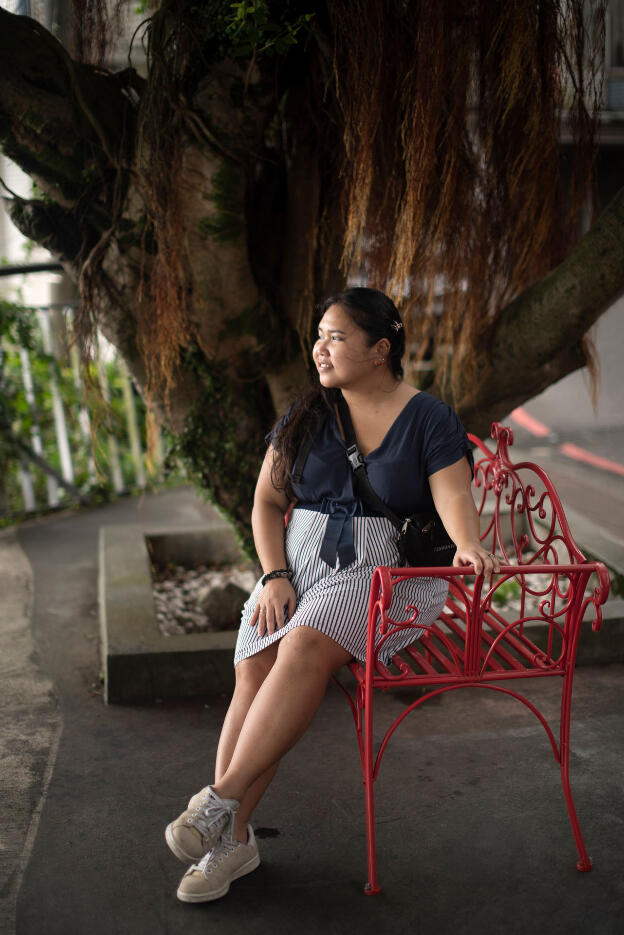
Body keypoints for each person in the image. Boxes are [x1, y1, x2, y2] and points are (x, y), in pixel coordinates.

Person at [164, 286, 500, 903]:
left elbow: (453, 497)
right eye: (318, 335)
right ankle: (230, 842)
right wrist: (273, 575)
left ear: (380, 349)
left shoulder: (428, 417)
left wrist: (469, 543)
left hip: (391, 582)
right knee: (254, 667)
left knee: (302, 646)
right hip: (299, 573)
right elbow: (266, 501)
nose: (320, 347)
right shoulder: (308, 413)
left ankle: (220, 803)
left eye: (336, 337)